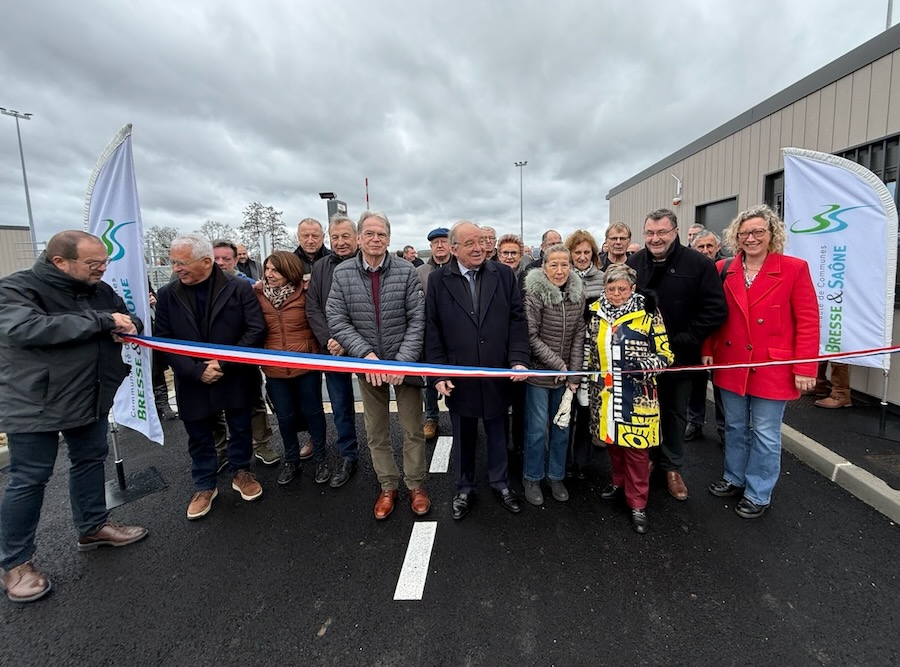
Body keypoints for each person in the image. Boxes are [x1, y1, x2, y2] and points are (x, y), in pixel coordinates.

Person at [0, 230, 148, 603]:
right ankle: (16, 562)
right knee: (29, 478)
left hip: (89, 394)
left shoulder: (100, 290)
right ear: (60, 262)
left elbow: (126, 317)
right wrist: (104, 323)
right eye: (94, 263)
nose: (102, 269)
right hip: (36, 401)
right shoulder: (17, 289)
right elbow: (27, 329)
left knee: (90, 461)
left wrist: (130, 325)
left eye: (105, 262)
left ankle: (93, 526)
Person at [703, 205, 819, 519]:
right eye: (744, 233)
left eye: (758, 232)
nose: (751, 238)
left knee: (766, 432)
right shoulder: (724, 269)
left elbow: (808, 321)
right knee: (735, 427)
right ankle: (734, 477)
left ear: (771, 234)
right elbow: (712, 314)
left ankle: (758, 492)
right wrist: (708, 348)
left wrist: (805, 367)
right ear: (736, 237)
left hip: (772, 366)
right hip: (732, 361)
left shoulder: (794, 268)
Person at [326, 211, 430, 520]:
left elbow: (417, 319)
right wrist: (366, 355)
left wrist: (402, 363)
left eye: (381, 234)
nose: (375, 239)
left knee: (412, 429)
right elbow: (337, 319)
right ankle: (388, 485)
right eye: (369, 233)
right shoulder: (343, 273)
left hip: (404, 365)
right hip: (367, 365)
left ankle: (415, 484)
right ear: (359, 238)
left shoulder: (406, 271)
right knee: (376, 431)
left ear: (388, 238)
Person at [155, 234, 267, 520]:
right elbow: (163, 340)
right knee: (198, 434)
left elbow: (255, 330)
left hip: (234, 374)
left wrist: (223, 363)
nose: (176, 268)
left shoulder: (238, 288)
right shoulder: (167, 294)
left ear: (206, 262)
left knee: (240, 426)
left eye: (181, 263)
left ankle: (241, 471)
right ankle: (204, 485)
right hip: (191, 378)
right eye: (173, 262)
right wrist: (196, 370)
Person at [425, 221, 530, 520]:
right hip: (460, 373)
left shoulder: (503, 275)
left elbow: (517, 319)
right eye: (470, 243)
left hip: (497, 368)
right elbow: (433, 329)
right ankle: (464, 487)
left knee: (498, 430)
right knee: (463, 433)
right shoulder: (438, 280)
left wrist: (518, 359)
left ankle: (501, 482)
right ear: (454, 249)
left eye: (482, 241)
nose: (478, 248)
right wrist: (439, 374)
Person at [627, 208, 727, 501]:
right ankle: (649, 459)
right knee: (644, 411)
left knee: (674, 412)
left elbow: (715, 308)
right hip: (642, 358)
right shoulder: (634, 263)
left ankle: (672, 467)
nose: (655, 238)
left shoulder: (698, 263)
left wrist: (687, 338)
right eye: (650, 233)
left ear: (675, 232)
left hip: (679, 356)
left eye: (662, 232)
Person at [587, 265, 673, 534]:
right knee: (612, 443)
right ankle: (618, 483)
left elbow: (666, 355)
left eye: (622, 289)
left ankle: (637, 503)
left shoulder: (648, 314)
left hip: (637, 396)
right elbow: (590, 353)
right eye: (611, 288)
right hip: (604, 394)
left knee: (636, 451)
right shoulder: (595, 313)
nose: (616, 294)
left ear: (632, 289)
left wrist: (643, 367)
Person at [254, 252, 329, 486]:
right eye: (267, 269)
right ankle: (292, 460)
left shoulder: (305, 293)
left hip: (306, 366)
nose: (269, 274)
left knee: (314, 413)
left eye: (275, 270)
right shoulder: (257, 294)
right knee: (284, 417)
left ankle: (321, 459)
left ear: (290, 271)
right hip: (275, 370)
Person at [521, 244, 585, 505]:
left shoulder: (577, 295)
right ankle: (532, 477)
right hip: (539, 375)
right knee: (537, 431)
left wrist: (574, 374)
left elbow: (579, 334)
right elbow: (530, 336)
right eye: (554, 265)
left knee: (562, 429)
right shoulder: (534, 295)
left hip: (565, 377)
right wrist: (559, 365)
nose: (560, 271)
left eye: (564, 265)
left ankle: (556, 476)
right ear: (544, 267)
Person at [210, 240, 278, 467]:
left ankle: (262, 444)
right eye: (216, 258)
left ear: (235, 260)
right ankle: (220, 449)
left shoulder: (246, 286)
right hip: (208, 358)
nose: (221, 263)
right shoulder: (197, 286)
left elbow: (256, 324)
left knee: (253, 401)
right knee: (212, 406)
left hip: (242, 354)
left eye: (226, 259)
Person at [306, 214, 362, 488]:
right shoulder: (320, 267)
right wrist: (330, 339)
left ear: (357, 237)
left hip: (363, 348)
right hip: (332, 349)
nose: (340, 242)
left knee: (375, 407)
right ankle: (349, 454)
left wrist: (345, 340)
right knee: (340, 405)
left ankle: (382, 457)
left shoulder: (367, 263)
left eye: (345, 236)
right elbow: (313, 307)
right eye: (335, 237)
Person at [564, 230, 604, 479]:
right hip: (567, 351)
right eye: (577, 252)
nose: (581, 256)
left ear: (593, 254)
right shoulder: (562, 277)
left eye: (586, 252)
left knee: (586, 409)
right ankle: (563, 461)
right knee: (565, 411)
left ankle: (581, 461)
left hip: (594, 353)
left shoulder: (602, 278)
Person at [686, 230, 727, 443]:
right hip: (698, 336)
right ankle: (695, 422)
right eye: (700, 247)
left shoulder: (727, 268)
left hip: (723, 336)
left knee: (722, 387)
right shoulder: (690, 269)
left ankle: (723, 428)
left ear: (717, 247)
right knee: (696, 384)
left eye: (709, 246)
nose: (705, 250)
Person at [417, 227, 452, 441]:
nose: (439, 246)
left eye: (443, 241)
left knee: (454, 377)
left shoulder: (458, 267)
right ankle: (431, 417)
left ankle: (457, 414)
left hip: (454, 334)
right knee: (429, 378)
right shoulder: (421, 272)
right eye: (435, 242)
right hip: (429, 332)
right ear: (430, 246)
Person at [496, 233, 528, 454]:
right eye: (505, 253)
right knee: (499, 403)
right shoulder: (491, 277)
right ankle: (500, 446)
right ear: (498, 254)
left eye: (513, 253)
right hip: (497, 349)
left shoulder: (529, 278)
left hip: (522, 349)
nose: (509, 257)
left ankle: (518, 445)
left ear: (521, 255)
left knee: (521, 404)